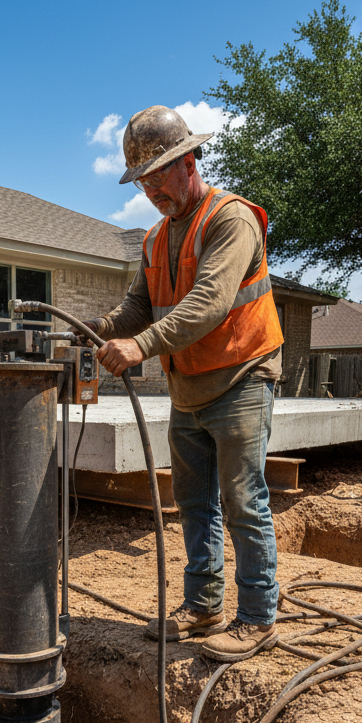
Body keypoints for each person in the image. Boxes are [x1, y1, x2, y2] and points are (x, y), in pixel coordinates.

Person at [83, 105, 283, 662]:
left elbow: (209, 304)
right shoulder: (153, 239)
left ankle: (258, 617)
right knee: (195, 504)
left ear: (190, 160)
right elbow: (137, 307)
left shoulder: (230, 219)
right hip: (189, 389)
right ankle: (203, 606)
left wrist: (141, 346)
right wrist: (98, 329)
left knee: (243, 500)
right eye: (142, 180)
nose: (150, 189)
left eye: (158, 174)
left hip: (242, 378)